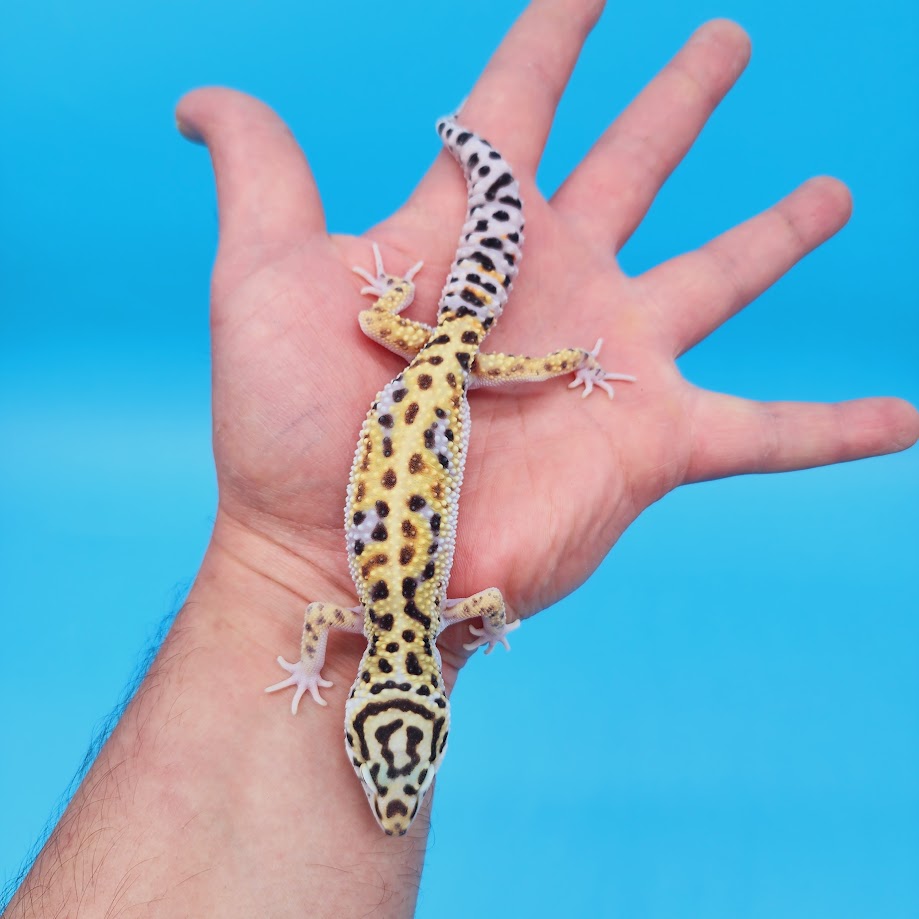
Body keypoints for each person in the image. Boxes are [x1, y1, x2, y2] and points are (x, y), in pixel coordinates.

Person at [6, 2, 916, 916]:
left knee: (471, 347)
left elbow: (457, 608)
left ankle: (534, 285)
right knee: (436, 336)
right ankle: (513, 246)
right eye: (398, 763)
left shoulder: (440, 614)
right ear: (416, 718)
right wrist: (300, 622)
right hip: (441, 372)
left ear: (393, 709)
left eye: (384, 763)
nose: (389, 790)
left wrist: (481, 621)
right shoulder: (360, 617)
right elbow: (333, 616)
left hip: (443, 370)